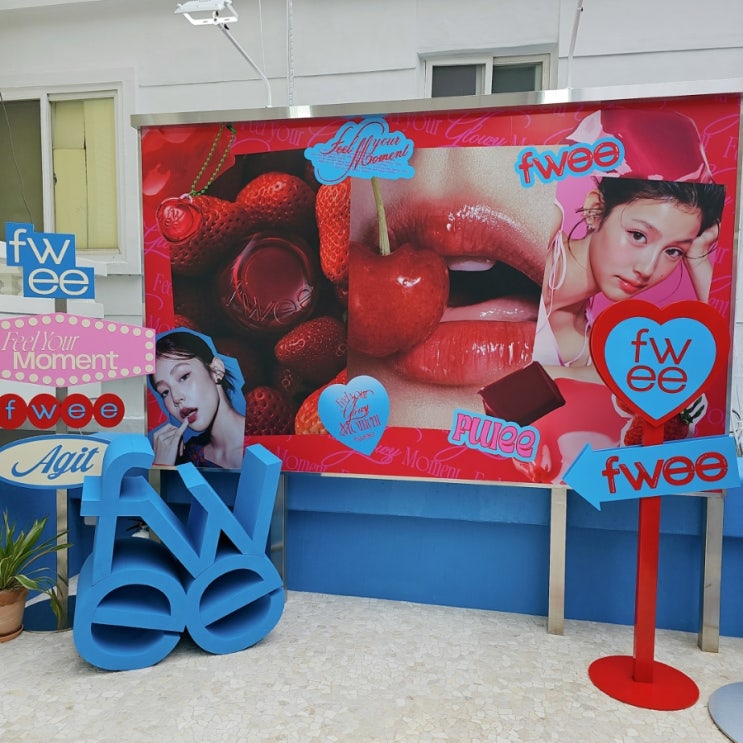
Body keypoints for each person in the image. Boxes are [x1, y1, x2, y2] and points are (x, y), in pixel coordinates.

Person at [534, 176, 725, 383]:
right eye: (637, 235)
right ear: (596, 209)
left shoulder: (587, 348)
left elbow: (721, 367)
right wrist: (587, 376)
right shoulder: (542, 229)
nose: (647, 269)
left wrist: (699, 257)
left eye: (673, 251)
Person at [148, 329, 246, 469]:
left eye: (183, 377)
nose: (175, 398)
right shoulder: (186, 460)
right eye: (165, 392)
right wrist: (162, 465)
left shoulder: (268, 440)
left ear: (216, 370)